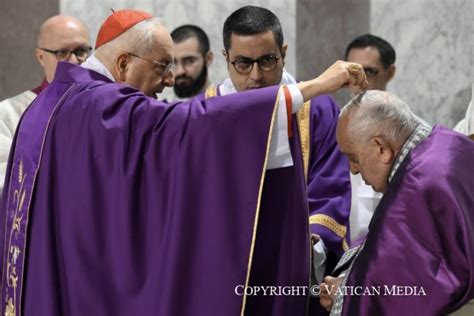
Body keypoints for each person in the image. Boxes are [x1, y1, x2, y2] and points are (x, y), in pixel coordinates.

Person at [0, 9, 367, 316]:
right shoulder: (102, 107)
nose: (169, 80)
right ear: (125, 63)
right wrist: (313, 87)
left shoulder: (47, 106)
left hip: (47, 280)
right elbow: (188, 127)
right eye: (162, 65)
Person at [201, 5, 351, 290]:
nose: (256, 76)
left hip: (293, 259)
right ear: (226, 58)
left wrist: (311, 240)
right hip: (226, 259)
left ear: (283, 52)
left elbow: (330, 184)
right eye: (243, 63)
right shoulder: (206, 111)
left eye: (268, 60)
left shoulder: (315, 109)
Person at [319, 90, 474, 315]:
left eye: (353, 158)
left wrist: (345, 293)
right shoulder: (447, 142)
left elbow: (403, 294)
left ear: (382, 149)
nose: (353, 169)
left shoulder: (413, 190)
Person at [0, 15, 90, 198]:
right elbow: (6, 182)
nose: (74, 61)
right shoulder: (9, 113)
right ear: (41, 57)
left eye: (81, 51)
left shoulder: (106, 111)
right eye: (62, 53)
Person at [344, 34, 396, 242]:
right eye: (352, 72)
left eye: (370, 72)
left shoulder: (414, 134)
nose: (360, 81)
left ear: (390, 72)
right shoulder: (332, 132)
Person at [170, 24, 213, 99]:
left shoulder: (223, 106)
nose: (180, 71)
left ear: (208, 58)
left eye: (190, 61)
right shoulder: (166, 108)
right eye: (173, 63)